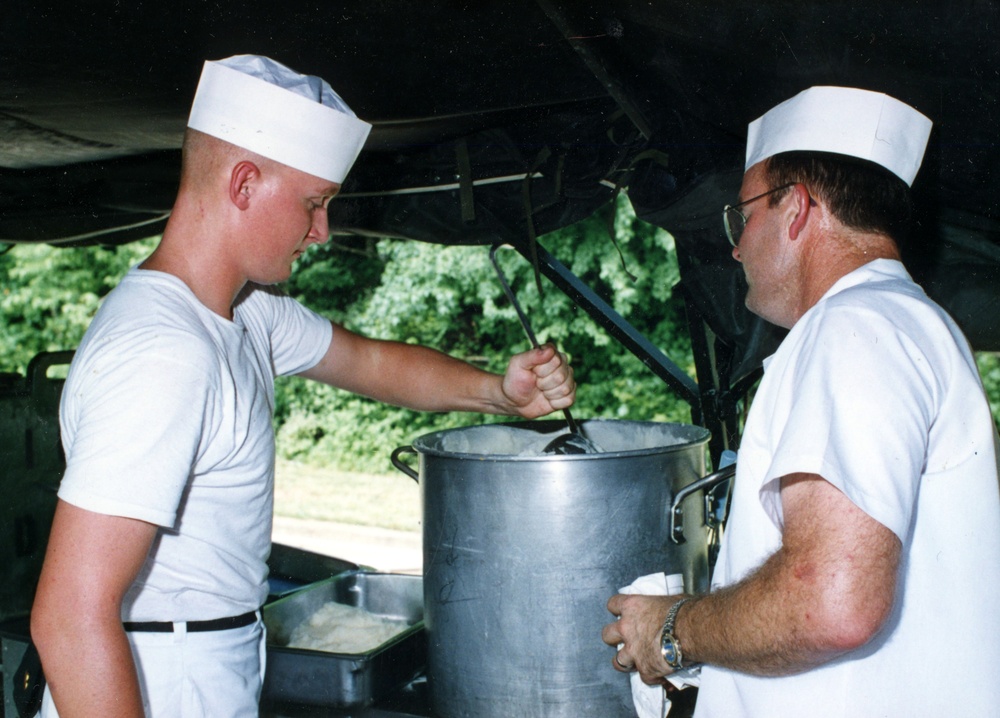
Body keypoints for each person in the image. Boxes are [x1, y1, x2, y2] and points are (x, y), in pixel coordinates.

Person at [30, 54, 577, 718]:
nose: (322, 232)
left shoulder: (242, 315)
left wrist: (499, 392)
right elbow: (70, 617)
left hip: (205, 659)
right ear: (243, 184)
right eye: (314, 204)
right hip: (156, 680)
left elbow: (371, 363)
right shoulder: (165, 351)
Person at [603, 85, 1000, 716]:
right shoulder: (903, 322)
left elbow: (830, 601)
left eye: (743, 216)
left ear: (798, 207)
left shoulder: (856, 328)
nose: (734, 247)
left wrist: (673, 632)